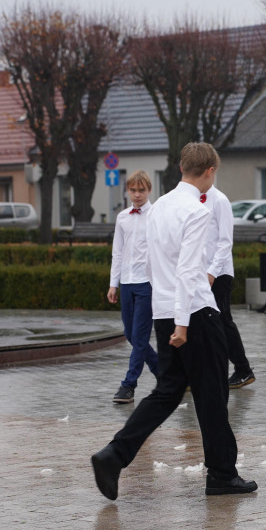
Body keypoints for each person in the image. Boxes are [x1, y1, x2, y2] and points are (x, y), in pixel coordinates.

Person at [91, 143, 257, 499]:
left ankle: (113, 455)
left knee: (167, 393)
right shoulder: (197, 211)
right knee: (212, 394)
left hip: (166, 311)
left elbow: (153, 265)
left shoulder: (160, 206)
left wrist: (166, 316)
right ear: (210, 171)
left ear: (183, 167)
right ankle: (222, 475)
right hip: (193, 313)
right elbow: (187, 270)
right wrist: (183, 323)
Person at [107, 171, 160, 405]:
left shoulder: (158, 215)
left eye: (142, 190)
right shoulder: (122, 218)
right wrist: (113, 283)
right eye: (133, 190)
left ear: (149, 191)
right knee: (131, 335)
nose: (137, 195)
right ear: (127, 191)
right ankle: (168, 375)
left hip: (148, 284)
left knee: (139, 337)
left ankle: (128, 385)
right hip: (127, 283)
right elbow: (117, 252)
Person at [202, 173, 254, 389]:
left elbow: (225, 242)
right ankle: (198, 371)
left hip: (219, 273)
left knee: (222, 321)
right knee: (202, 322)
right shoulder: (189, 199)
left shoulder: (220, 201)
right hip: (198, 272)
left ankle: (243, 369)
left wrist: (212, 272)